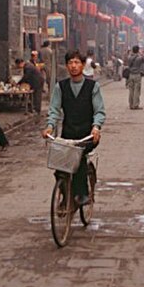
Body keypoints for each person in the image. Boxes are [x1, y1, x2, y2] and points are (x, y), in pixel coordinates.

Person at [43, 50, 106, 206]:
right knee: (59, 169)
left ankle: (82, 194)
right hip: (68, 134)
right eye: (70, 62)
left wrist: (96, 127)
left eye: (77, 62)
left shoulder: (93, 87)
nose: (73, 66)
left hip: (88, 135)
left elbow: (99, 111)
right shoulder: (60, 87)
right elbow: (54, 110)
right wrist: (50, 127)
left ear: (83, 65)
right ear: (66, 66)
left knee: (78, 160)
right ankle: (67, 196)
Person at [126, 45, 144, 109]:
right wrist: (141, 53)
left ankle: (131, 104)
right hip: (137, 75)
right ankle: (135, 105)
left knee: (131, 90)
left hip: (130, 75)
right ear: (138, 50)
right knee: (136, 90)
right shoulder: (139, 58)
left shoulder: (129, 57)